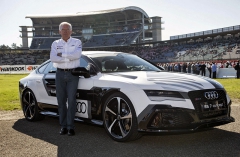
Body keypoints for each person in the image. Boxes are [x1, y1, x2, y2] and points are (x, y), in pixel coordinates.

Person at [50, 22, 82, 136]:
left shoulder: (77, 42)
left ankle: (71, 127)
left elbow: (77, 56)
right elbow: (53, 58)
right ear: (59, 31)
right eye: (63, 29)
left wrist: (61, 55)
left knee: (72, 101)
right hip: (59, 74)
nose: (65, 31)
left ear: (71, 31)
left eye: (68, 29)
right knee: (61, 101)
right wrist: (69, 57)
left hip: (73, 74)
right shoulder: (55, 43)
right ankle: (63, 126)